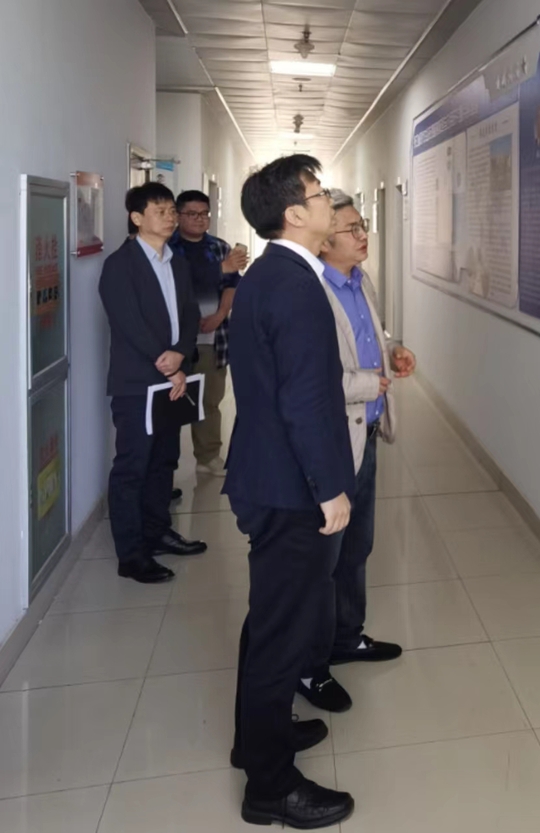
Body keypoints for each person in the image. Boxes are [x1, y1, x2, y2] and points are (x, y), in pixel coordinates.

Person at [223, 155, 356, 829]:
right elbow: (304, 400)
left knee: (269, 620)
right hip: (290, 487)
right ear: (295, 214)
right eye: (318, 192)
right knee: (283, 632)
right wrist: (329, 489)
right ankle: (270, 786)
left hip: (269, 474)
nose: (329, 200)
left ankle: (256, 739)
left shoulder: (269, 275)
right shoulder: (294, 285)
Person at [297, 189, 416, 713]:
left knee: (357, 547)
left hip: (365, 435)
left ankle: (347, 636)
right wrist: (370, 383)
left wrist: (393, 351)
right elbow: (312, 379)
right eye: (351, 228)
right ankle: (309, 664)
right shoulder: (311, 293)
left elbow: (370, 339)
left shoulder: (360, 280)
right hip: (332, 442)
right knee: (321, 558)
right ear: (325, 242)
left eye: (363, 224)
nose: (363, 234)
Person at [99, 183, 208, 585]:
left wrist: (181, 353)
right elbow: (129, 323)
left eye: (171, 210)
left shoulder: (175, 261)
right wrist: (169, 364)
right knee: (133, 466)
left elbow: (191, 313)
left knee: (164, 459)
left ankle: (157, 531)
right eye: (160, 210)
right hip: (137, 383)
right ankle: (131, 555)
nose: (170, 217)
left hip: (171, 379)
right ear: (137, 217)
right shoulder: (120, 265)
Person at [169, 191, 248, 476]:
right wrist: (219, 269)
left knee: (209, 400)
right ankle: (166, 465)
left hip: (212, 337)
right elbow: (176, 283)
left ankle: (208, 456)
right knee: (170, 402)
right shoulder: (168, 247)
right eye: (192, 214)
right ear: (178, 216)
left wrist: (220, 314)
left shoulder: (219, 247)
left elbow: (232, 284)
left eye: (204, 214)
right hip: (174, 341)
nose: (199, 219)